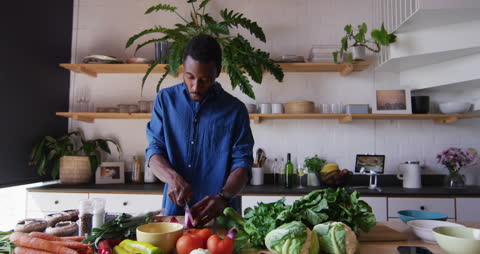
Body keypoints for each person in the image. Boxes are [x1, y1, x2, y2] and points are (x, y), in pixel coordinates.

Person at [145, 34, 254, 226]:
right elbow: (154, 150)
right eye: (190, 77)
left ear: (217, 72)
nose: (196, 87)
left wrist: (223, 197)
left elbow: (242, 164)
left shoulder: (235, 110)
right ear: (183, 69)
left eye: (204, 79)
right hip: (175, 214)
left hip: (222, 214)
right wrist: (172, 178)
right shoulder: (165, 100)